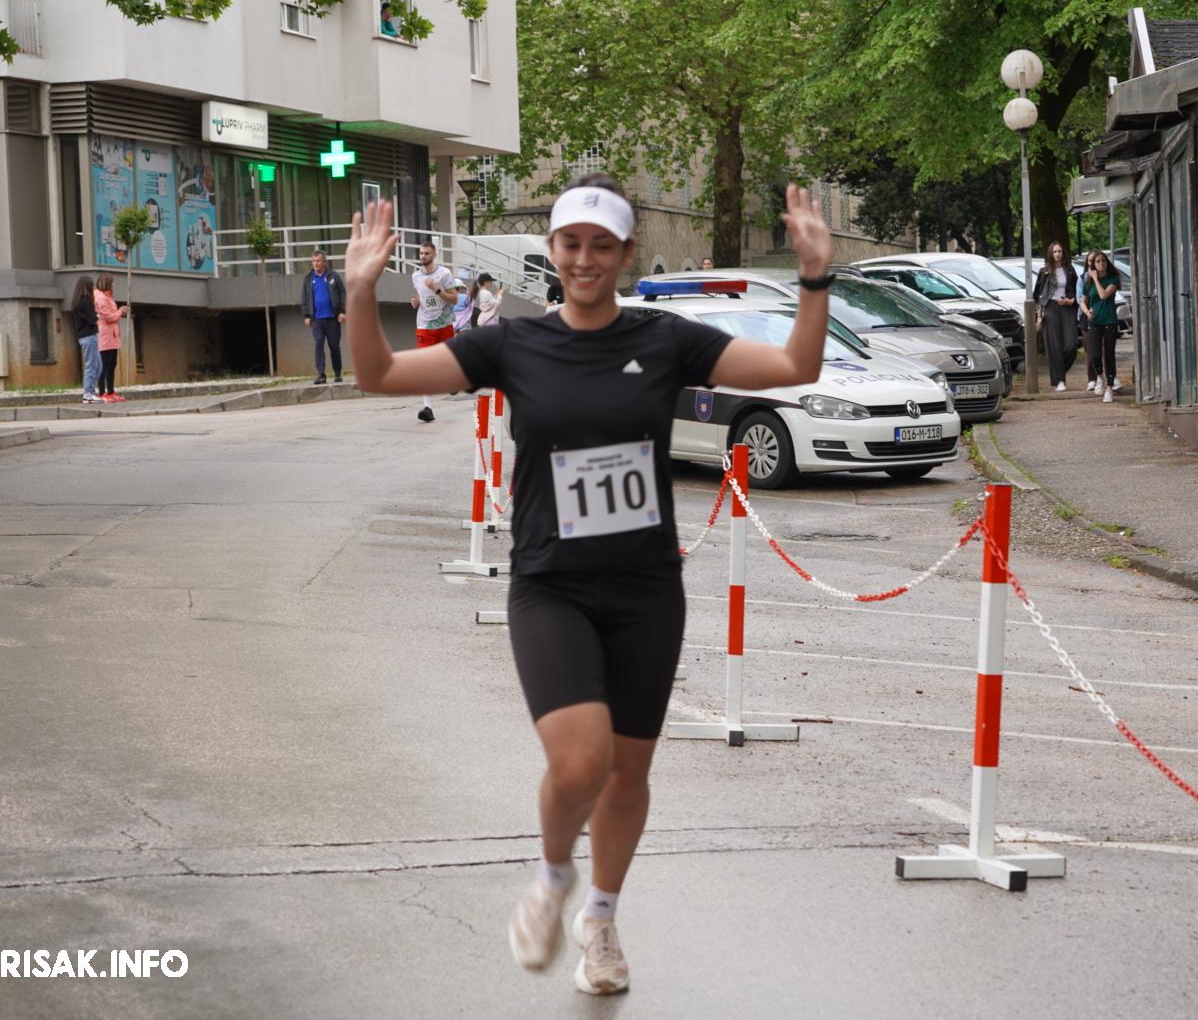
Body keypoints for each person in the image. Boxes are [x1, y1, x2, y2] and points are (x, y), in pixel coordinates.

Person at [344, 174, 832, 997]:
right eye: (571, 243)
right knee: (580, 763)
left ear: (626, 255)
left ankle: (600, 919)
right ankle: (552, 878)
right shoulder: (511, 344)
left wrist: (816, 278)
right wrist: (361, 293)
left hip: (646, 589)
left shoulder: (667, 338)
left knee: (630, 774)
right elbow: (380, 376)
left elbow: (794, 363)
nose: (585, 259)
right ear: (552, 251)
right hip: (551, 587)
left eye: (602, 246)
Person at [410, 242, 453, 422]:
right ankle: (428, 408)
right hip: (424, 325)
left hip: (443, 324)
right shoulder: (415, 276)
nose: (422, 257)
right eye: (420, 253)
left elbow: (454, 298)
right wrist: (416, 302)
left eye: (426, 253)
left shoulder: (444, 274)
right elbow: (421, 294)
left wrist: (437, 289)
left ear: (435, 254)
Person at [1034, 242, 1080, 392]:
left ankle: (1058, 372)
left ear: (1063, 253)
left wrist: (1071, 301)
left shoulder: (1070, 270)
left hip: (1067, 307)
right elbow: (1038, 295)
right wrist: (1039, 315)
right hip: (1051, 307)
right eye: (1054, 251)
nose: (1057, 254)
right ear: (1050, 254)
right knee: (1054, 346)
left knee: (1071, 345)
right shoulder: (1044, 272)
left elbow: (1077, 290)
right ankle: (1060, 380)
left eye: (1060, 251)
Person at [300, 250, 347, 385]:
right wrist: (307, 315)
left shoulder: (333, 276)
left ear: (324, 262)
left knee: (334, 346)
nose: (316, 263)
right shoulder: (308, 279)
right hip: (317, 320)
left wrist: (342, 311)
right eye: (314, 261)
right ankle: (321, 375)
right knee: (319, 345)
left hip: (332, 318)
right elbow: (304, 298)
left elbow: (342, 293)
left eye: (318, 261)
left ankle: (337, 373)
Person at [1081, 250, 1122, 403]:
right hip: (1094, 321)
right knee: (1095, 354)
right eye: (1097, 262)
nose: (1101, 264)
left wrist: (1096, 279)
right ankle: (1099, 376)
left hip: (1109, 320)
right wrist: (1087, 312)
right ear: (1093, 264)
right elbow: (1083, 300)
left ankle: (1110, 387)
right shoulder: (1088, 281)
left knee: (1109, 354)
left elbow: (1104, 295)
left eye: (1103, 261)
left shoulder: (1113, 279)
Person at [93, 274, 128, 402]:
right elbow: (107, 318)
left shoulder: (107, 297)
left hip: (111, 336)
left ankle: (111, 391)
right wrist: (120, 312)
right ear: (106, 283)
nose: (114, 285)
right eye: (112, 283)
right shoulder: (101, 298)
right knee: (104, 365)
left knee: (112, 364)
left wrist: (119, 312)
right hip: (105, 336)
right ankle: (102, 393)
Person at [72, 275, 103, 404]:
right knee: (91, 365)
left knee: (98, 366)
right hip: (89, 335)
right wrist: (97, 315)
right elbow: (92, 319)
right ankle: (88, 393)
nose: (94, 288)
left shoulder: (77, 301)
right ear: (87, 287)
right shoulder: (85, 301)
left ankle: (91, 391)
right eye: (92, 285)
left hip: (85, 336)